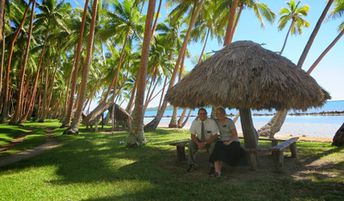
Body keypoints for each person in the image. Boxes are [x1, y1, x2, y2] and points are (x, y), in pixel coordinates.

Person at [209, 107, 245, 177]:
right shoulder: (216, 121)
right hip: (222, 140)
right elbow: (208, 121)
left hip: (233, 141)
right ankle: (217, 172)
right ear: (216, 114)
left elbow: (235, 135)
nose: (219, 114)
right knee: (217, 148)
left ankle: (221, 169)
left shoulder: (229, 121)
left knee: (226, 149)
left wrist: (229, 142)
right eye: (218, 113)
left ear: (224, 113)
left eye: (221, 113)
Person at [187, 108, 219, 172]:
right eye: (201, 113)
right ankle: (192, 164)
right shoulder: (195, 122)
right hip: (199, 141)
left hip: (210, 141)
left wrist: (205, 143)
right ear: (198, 114)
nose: (202, 115)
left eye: (204, 113)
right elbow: (192, 135)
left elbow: (216, 135)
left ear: (207, 114)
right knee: (191, 143)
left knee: (214, 145)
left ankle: (213, 166)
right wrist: (198, 143)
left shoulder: (211, 122)